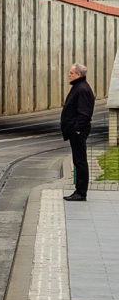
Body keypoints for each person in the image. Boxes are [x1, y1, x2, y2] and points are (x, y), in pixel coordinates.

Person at [61, 62, 94, 201]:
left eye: (71, 73)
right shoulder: (79, 87)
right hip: (76, 130)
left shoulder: (81, 89)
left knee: (80, 161)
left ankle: (81, 192)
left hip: (78, 131)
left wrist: (78, 129)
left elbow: (84, 113)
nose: (69, 75)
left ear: (79, 74)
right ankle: (78, 191)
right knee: (78, 160)